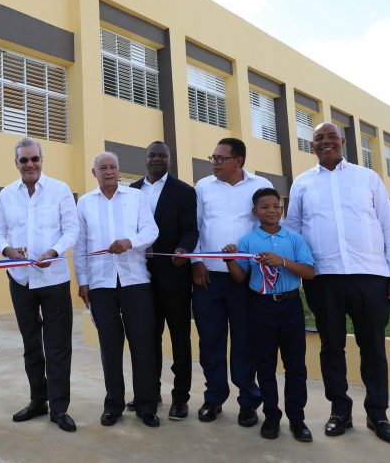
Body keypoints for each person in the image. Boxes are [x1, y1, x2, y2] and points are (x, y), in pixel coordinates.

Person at [285, 123, 390, 444]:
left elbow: (388, 226)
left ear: (342, 142)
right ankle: (339, 410)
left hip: (370, 276)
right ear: (311, 145)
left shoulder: (367, 178)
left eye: (331, 137)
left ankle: (377, 414)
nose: (325, 143)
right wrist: (294, 269)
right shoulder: (302, 184)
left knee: (373, 347)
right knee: (331, 347)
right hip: (323, 278)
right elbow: (294, 230)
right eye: (318, 139)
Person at [0, 137, 79, 432]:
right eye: (23, 160)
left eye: (34, 159)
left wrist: (54, 252)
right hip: (20, 278)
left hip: (53, 278)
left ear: (42, 160)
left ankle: (59, 407)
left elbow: (72, 230)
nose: (30, 164)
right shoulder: (6, 195)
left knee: (57, 346)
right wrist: (8, 250)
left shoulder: (60, 190)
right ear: (16, 163)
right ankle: (37, 401)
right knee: (31, 346)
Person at [222, 187, 315, 442]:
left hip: (290, 307)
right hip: (261, 308)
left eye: (276, 206)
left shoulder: (294, 239)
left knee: (295, 365)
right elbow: (240, 277)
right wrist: (230, 260)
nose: (271, 211)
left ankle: (297, 419)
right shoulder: (247, 242)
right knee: (265, 365)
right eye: (265, 207)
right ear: (255, 212)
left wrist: (282, 262)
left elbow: (309, 272)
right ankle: (272, 416)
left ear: (281, 210)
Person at [75, 152, 160, 427]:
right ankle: (113, 405)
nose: (109, 171)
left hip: (135, 282)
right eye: (103, 168)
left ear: (119, 170)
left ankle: (147, 405)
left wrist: (130, 242)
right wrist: (83, 281)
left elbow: (151, 231)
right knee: (110, 347)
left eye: (113, 167)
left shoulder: (136, 198)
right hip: (100, 284)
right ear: (94, 172)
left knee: (142, 344)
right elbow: (80, 246)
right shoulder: (85, 203)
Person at [192, 138, 270, 426]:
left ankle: (248, 401)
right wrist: (196, 261)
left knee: (245, 344)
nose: (214, 162)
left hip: (244, 279)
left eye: (220, 158)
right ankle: (214, 398)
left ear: (238, 161)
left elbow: (266, 227)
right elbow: (196, 226)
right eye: (212, 157)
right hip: (208, 279)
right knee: (210, 342)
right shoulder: (202, 186)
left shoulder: (258, 185)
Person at [130, 141, 198, 420]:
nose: (157, 159)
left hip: (174, 275)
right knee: (147, 338)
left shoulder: (184, 191)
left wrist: (184, 249)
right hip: (140, 277)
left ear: (170, 159)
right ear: (145, 159)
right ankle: (150, 392)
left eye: (162, 155)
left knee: (180, 339)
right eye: (152, 155)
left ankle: (180, 398)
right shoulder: (131, 191)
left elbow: (191, 229)